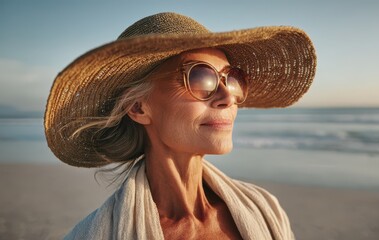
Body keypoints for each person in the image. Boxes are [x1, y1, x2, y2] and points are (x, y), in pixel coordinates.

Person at [44, 12, 316, 240]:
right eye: (200, 77)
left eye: (231, 79)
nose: (227, 97)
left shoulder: (264, 209)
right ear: (139, 108)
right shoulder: (95, 234)